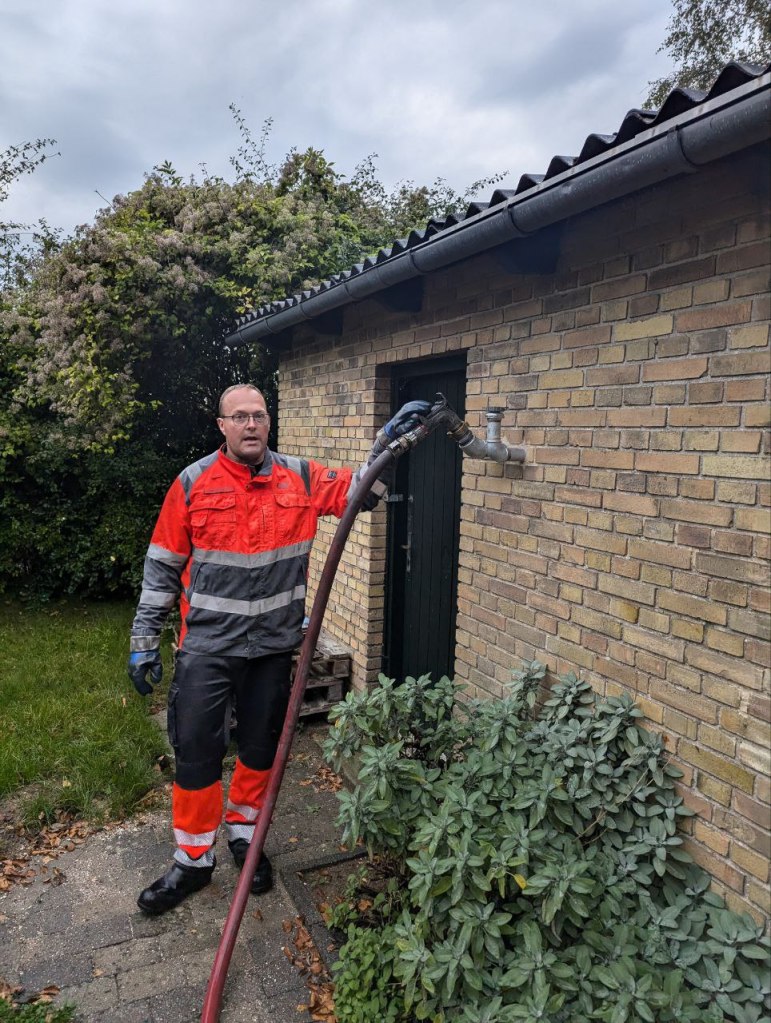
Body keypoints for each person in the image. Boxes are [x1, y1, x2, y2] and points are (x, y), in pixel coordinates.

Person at [128, 383, 430, 915]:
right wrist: (144, 640)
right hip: (207, 648)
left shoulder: (301, 477)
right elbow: (162, 566)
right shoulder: (193, 482)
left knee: (260, 750)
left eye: (259, 415)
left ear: (269, 423)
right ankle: (192, 859)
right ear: (222, 426)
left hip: (272, 649)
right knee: (196, 753)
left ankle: (246, 835)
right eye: (239, 417)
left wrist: (387, 446)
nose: (250, 424)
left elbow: (363, 493)